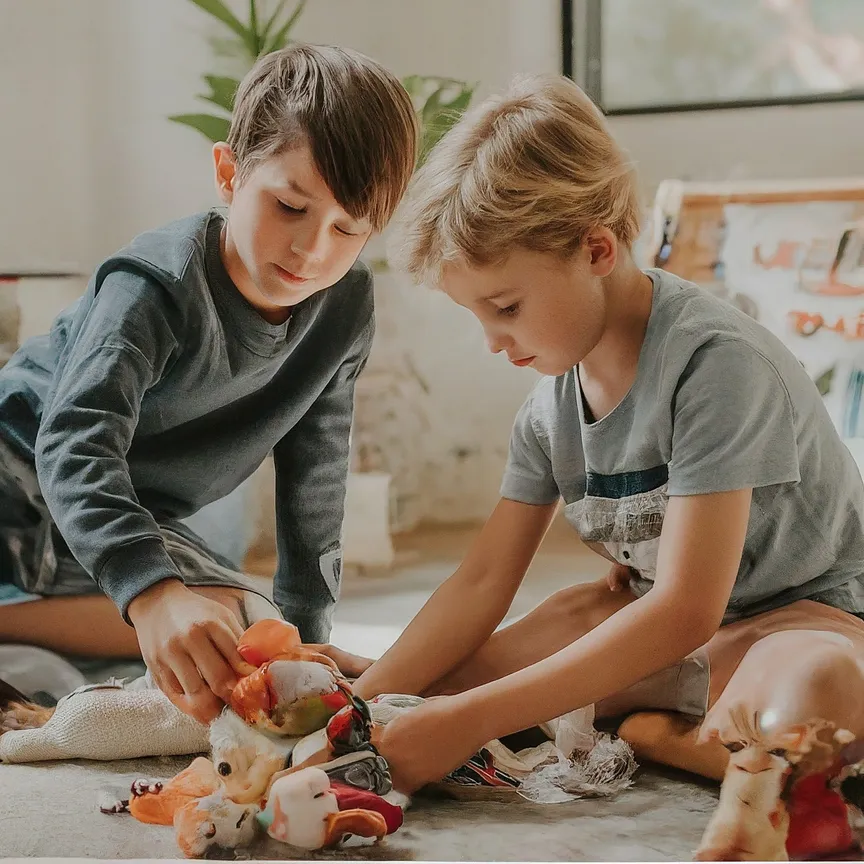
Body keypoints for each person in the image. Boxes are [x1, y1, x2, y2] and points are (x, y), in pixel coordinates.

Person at [354, 74, 864, 838]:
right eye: (477, 315)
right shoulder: (549, 407)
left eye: (506, 308)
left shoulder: (716, 365)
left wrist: (468, 722)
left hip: (794, 622)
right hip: (659, 626)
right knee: (446, 679)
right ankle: (637, 712)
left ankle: (645, 732)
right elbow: (483, 579)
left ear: (596, 247)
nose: (494, 341)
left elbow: (689, 607)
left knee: (817, 703)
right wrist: (364, 706)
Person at [0, 43, 417, 724]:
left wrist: (307, 639)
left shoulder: (344, 308)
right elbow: (73, 445)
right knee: (188, 613)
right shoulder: (154, 287)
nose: (313, 250)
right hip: (23, 477)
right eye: (289, 206)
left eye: (349, 228)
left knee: (248, 626)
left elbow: (316, 475)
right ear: (229, 173)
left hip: (118, 509)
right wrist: (154, 593)